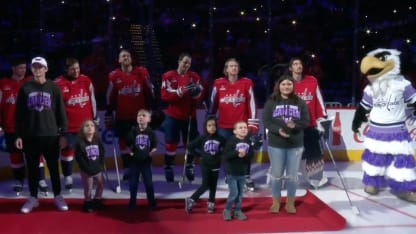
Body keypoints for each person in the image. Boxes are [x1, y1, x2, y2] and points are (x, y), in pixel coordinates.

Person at [15, 57, 68, 213]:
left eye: (40, 67)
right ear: (32, 69)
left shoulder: (54, 87)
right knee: (32, 169)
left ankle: (58, 196)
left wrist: (63, 134)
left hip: (51, 135)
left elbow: (61, 113)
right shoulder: (25, 88)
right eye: (34, 67)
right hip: (30, 135)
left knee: (52, 168)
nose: (37, 69)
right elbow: (19, 115)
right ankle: (33, 198)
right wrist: (19, 135)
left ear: (46, 69)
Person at [209, 58, 259, 191]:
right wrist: (210, 120)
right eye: (231, 66)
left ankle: (246, 176)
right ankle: (229, 175)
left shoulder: (246, 83)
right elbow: (212, 104)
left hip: (241, 125)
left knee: (245, 150)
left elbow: (252, 104)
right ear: (226, 69)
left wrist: (252, 124)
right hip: (224, 125)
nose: (234, 68)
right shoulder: (218, 83)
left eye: (236, 66)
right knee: (228, 152)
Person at [263, 75, 309, 214]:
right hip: (276, 144)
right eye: (283, 84)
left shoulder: (300, 102)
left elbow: (306, 120)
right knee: (276, 175)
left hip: (295, 145)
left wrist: (295, 125)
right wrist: (278, 130)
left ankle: (290, 203)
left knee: (292, 175)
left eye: (289, 84)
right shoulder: (271, 102)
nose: (286, 86)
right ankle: (276, 202)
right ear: (279, 86)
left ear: (293, 86)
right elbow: (266, 121)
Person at [105, 49, 154, 181]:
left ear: (132, 59)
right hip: (123, 116)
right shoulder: (114, 75)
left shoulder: (142, 72)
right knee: (124, 143)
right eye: (123, 56)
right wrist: (109, 112)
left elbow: (150, 90)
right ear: (119, 60)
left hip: (140, 117)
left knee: (141, 143)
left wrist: (151, 108)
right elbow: (110, 96)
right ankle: (127, 169)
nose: (126, 57)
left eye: (128, 55)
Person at [0, 58, 47, 195]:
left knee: (36, 155)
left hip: (31, 127)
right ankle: (19, 180)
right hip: (11, 127)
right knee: (16, 156)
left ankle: (41, 180)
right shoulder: (3, 84)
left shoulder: (31, 81)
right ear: (13, 68)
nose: (23, 70)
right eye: (20, 68)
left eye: (24, 67)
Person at [55, 57, 98, 191]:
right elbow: (56, 108)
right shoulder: (58, 84)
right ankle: (68, 177)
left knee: (89, 152)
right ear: (66, 69)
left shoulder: (86, 80)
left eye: (78, 68)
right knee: (67, 152)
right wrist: (59, 127)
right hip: (68, 127)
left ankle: (92, 174)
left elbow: (92, 101)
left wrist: (95, 119)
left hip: (86, 127)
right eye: (73, 68)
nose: (76, 71)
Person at [160, 52, 204, 182]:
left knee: (190, 145)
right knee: (171, 145)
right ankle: (168, 167)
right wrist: (182, 91)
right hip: (173, 116)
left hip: (190, 117)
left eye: (189, 63)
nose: (187, 65)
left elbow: (200, 94)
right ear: (179, 61)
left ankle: (189, 166)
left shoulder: (194, 77)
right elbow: (164, 95)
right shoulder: (168, 76)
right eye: (185, 62)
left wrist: (196, 94)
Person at [289, 57, 328, 189]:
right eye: (295, 64)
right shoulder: (285, 83)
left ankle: (316, 180)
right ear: (290, 68)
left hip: (310, 125)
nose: (298, 66)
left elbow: (319, 102)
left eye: (300, 63)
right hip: (292, 127)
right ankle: (283, 179)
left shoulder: (312, 81)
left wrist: (321, 119)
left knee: (314, 154)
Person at [185, 116, 225, 214]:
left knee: (213, 186)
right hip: (205, 165)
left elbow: (227, 148)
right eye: (209, 125)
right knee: (205, 185)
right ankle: (191, 200)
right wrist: (199, 155)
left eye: (214, 125)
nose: (212, 127)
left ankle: (211, 203)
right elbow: (190, 146)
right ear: (205, 127)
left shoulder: (220, 138)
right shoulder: (202, 138)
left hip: (216, 164)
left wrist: (221, 155)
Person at [222, 121, 262, 221]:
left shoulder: (248, 141)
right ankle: (227, 210)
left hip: (242, 172)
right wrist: (237, 153)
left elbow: (251, 155)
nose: (244, 129)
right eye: (240, 128)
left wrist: (245, 156)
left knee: (240, 194)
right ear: (235, 131)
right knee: (234, 193)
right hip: (231, 172)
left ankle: (237, 211)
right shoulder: (231, 141)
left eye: (245, 127)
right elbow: (226, 156)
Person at [126, 109, 157, 210]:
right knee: (133, 183)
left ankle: (152, 202)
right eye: (139, 115)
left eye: (144, 115)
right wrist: (130, 152)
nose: (141, 117)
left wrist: (151, 152)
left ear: (149, 119)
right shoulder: (133, 130)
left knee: (148, 183)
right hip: (134, 162)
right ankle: (132, 202)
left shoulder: (151, 133)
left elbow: (154, 146)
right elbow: (127, 144)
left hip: (146, 162)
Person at [74, 119, 105, 213]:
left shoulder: (97, 140)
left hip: (97, 169)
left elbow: (102, 152)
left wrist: (100, 165)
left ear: (95, 129)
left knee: (101, 184)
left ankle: (97, 200)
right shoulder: (80, 143)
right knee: (88, 188)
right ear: (82, 130)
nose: (89, 127)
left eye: (92, 125)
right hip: (86, 171)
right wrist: (86, 169)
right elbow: (79, 158)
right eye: (87, 126)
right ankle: (88, 202)